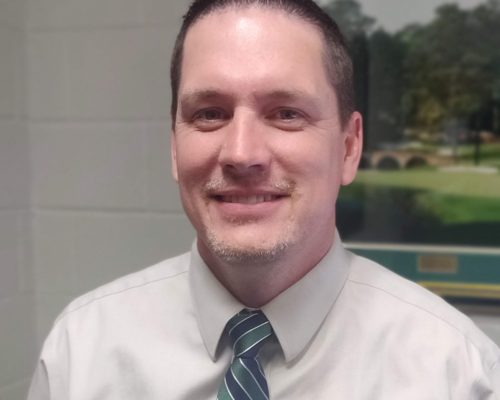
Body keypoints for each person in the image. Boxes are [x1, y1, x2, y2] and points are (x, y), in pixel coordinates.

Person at [28, 0, 500, 399]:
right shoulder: (80, 352)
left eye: (286, 113)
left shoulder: (458, 373)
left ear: (349, 147)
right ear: (174, 146)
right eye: (210, 113)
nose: (241, 154)